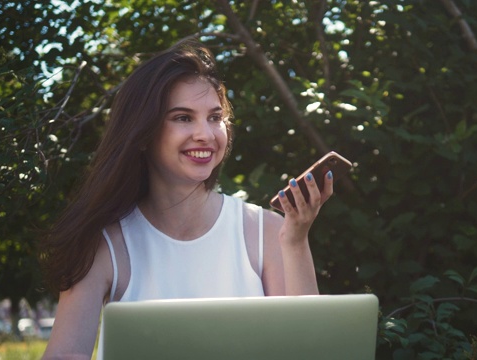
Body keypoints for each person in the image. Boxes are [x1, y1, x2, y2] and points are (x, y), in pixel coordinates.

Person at [40, 37, 335, 359]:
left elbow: (308, 350)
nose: (206, 135)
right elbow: (64, 355)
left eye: (214, 117)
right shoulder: (105, 244)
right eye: (183, 117)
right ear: (142, 133)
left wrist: (295, 242)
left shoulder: (267, 231)